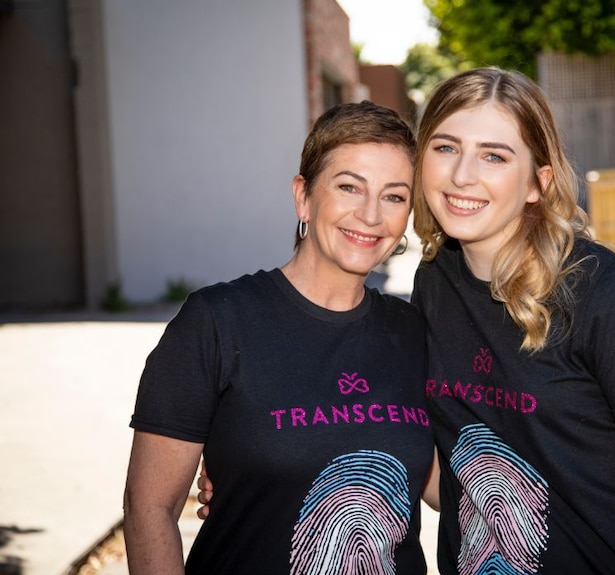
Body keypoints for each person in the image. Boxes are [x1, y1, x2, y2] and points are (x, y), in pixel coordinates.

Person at [199, 67, 615, 574]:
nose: (463, 175)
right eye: (445, 148)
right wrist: (265, 467)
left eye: (494, 155)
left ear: (538, 182)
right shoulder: (434, 284)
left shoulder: (605, 292)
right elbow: (442, 475)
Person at [123, 100, 436, 575]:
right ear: (303, 196)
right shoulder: (216, 321)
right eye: (349, 187)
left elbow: (443, 486)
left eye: (394, 196)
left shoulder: (414, 331)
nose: (371, 215)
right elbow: (149, 510)